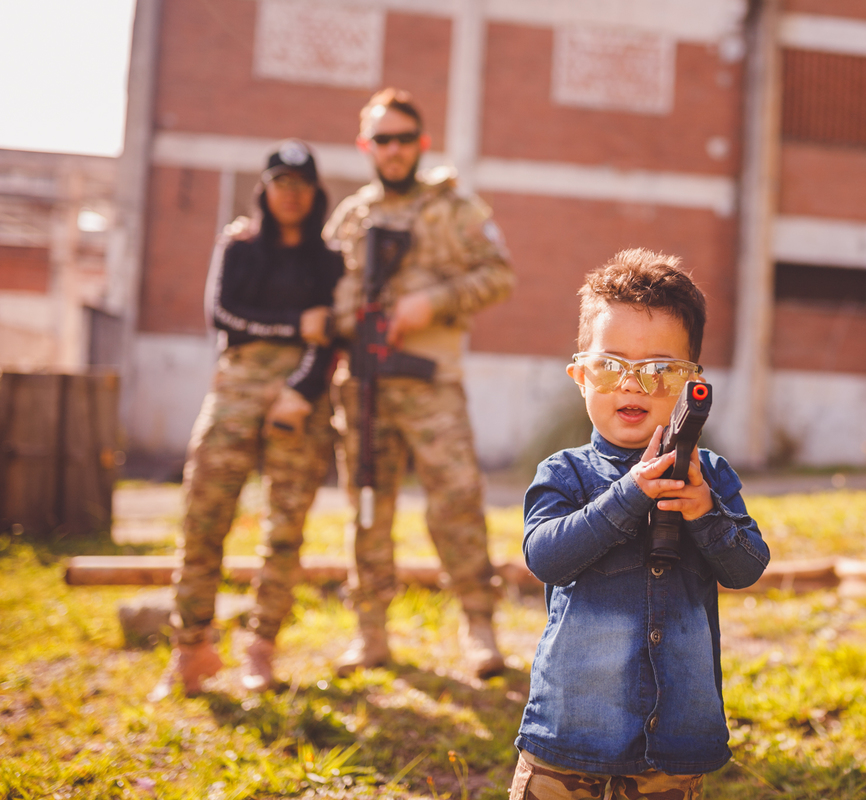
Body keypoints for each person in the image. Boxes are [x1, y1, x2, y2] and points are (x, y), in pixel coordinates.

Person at [509, 249, 770, 798]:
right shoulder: (565, 472)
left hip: (671, 746)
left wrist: (704, 512)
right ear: (581, 376)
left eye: (659, 370)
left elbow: (747, 567)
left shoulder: (709, 475)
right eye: (611, 365)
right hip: (569, 733)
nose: (632, 385)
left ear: (689, 382)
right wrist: (627, 497)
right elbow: (545, 557)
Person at [325, 88, 516, 679]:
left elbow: (499, 275)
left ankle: (479, 626)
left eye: (405, 138)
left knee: (457, 501)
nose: (395, 149)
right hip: (364, 389)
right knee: (366, 510)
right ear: (366, 146)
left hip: (431, 384)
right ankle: (371, 633)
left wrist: (431, 303)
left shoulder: (454, 210)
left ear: (422, 143)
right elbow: (322, 297)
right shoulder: (351, 219)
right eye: (383, 139)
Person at [152, 139, 344, 699]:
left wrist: (301, 393)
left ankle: (261, 649)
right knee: (203, 519)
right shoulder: (237, 245)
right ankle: (190, 648)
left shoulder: (329, 260)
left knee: (284, 532)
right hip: (233, 394)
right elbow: (222, 314)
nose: (291, 194)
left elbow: (327, 336)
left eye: (301, 185)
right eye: (281, 182)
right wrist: (293, 324)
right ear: (265, 189)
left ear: (315, 194)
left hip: (298, 402)